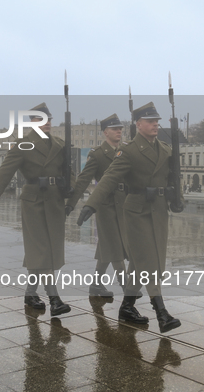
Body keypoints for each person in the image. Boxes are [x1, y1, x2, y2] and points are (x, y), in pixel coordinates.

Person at [77, 102, 184, 333]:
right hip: (136, 212)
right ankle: (161, 312)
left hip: (158, 211)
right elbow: (109, 178)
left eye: (157, 121)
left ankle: (127, 306)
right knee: (149, 261)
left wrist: (178, 198)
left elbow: (174, 177)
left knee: (139, 263)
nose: (156, 124)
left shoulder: (165, 149)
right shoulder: (129, 151)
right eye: (150, 121)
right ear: (138, 125)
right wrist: (91, 204)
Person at [0, 103, 74, 316]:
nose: (48, 122)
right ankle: (55, 299)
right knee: (42, 250)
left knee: (44, 250)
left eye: (49, 119)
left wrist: (72, 196)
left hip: (55, 201)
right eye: (42, 119)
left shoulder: (59, 144)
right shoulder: (23, 144)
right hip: (34, 203)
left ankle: (30, 293)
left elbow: (69, 173)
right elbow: (4, 173)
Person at [66, 114, 132, 297]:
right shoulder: (97, 154)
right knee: (116, 245)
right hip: (105, 205)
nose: (119, 131)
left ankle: (95, 285)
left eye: (120, 128)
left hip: (123, 204)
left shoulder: (126, 150)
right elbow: (83, 180)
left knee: (107, 245)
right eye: (114, 129)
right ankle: (127, 289)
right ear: (105, 132)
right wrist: (70, 204)